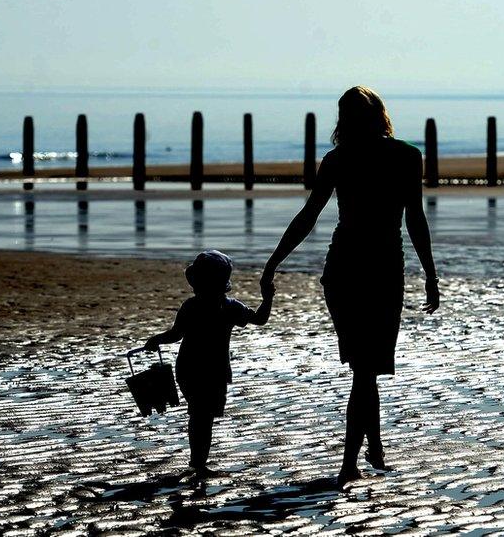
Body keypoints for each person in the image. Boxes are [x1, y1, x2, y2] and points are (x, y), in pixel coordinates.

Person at [260, 86, 440, 487]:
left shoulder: (339, 159)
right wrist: (430, 273)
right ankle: (349, 464)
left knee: (366, 368)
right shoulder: (406, 156)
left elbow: (308, 215)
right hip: (378, 270)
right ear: (380, 114)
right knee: (365, 369)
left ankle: (372, 447)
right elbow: (415, 220)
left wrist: (274, 262)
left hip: (343, 269)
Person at [145, 249, 274, 476]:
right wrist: (268, 298)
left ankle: (198, 463)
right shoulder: (230, 307)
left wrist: (156, 340)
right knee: (203, 417)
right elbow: (260, 319)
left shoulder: (191, 305)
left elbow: (176, 334)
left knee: (199, 416)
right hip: (214, 371)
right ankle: (198, 464)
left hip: (188, 368)